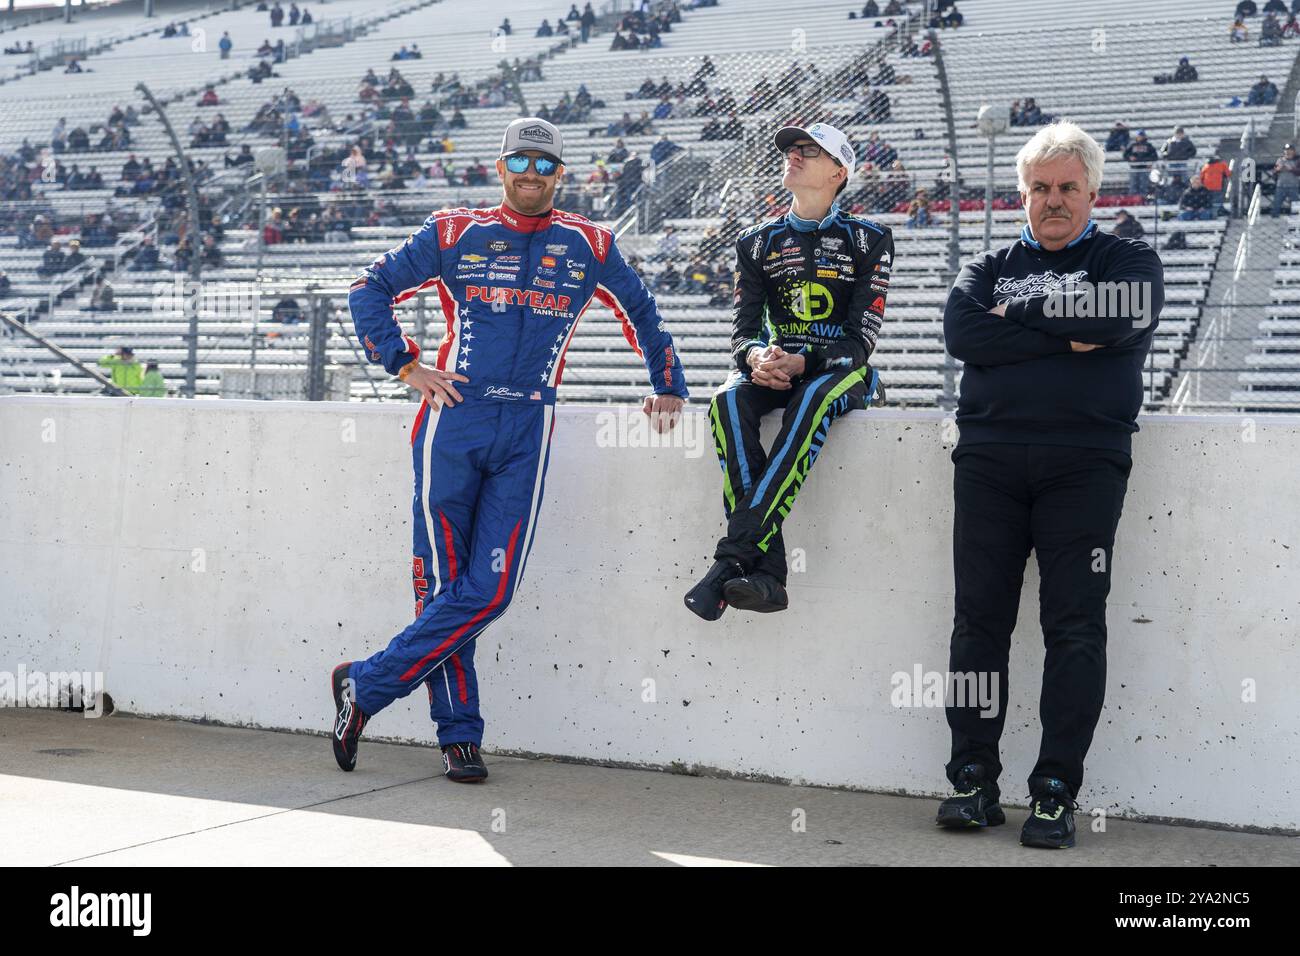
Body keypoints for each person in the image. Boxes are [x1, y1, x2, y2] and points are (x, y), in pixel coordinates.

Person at [334, 117, 689, 782]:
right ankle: (459, 735)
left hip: (528, 427)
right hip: (454, 420)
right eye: (520, 160)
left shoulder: (590, 243)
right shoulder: (452, 231)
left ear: (562, 174)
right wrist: (404, 364)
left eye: (545, 163)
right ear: (501, 167)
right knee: (444, 587)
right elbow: (367, 288)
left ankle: (366, 683)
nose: (532, 172)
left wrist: (667, 383)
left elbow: (646, 313)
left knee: (489, 591)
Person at [936, 121, 1162, 849]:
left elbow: (1124, 313)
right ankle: (972, 779)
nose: (1053, 201)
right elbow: (964, 335)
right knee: (978, 623)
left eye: (1068, 188)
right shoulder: (986, 269)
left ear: (1093, 191)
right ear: (1021, 194)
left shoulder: (1126, 258)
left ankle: (1055, 791)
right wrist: (1068, 333)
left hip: (1085, 463)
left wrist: (1020, 319)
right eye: (1040, 188)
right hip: (990, 460)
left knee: (1074, 626)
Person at [684, 122, 891, 619]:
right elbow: (742, 332)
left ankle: (728, 563)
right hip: (778, 366)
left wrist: (804, 361)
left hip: (840, 370)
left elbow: (861, 341)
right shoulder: (757, 241)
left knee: (813, 397)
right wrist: (756, 357)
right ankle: (768, 574)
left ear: (839, 172)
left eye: (808, 151)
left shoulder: (870, 239)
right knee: (727, 400)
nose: (793, 156)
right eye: (791, 150)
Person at [1122, 130, 1158, 194]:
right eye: (1139, 136)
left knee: (1143, 185)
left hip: (1144, 168)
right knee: (1133, 186)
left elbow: (1155, 156)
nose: (1140, 137)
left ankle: (1143, 200)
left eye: (1141, 136)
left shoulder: (1148, 145)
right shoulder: (1132, 144)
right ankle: (1133, 200)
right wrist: (1130, 157)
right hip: (1134, 168)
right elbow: (1125, 155)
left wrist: (1149, 162)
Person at [1273, 143, 1300, 217]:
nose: (1287, 152)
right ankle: (1275, 217)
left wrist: (1291, 169)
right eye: (1286, 150)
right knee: (1276, 204)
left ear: (1293, 151)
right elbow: (1274, 172)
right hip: (1281, 186)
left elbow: (1299, 172)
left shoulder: (1297, 160)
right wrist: (1278, 169)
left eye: (1290, 150)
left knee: (1295, 205)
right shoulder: (1280, 160)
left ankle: (1295, 219)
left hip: (1293, 186)